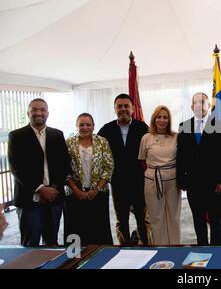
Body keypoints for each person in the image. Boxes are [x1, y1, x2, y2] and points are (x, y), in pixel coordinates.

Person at [8, 98, 70, 246]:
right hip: (29, 200)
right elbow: (16, 168)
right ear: (28, 113)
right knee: (30, 244)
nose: (38, 113)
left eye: (42, 110)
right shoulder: (17, 136)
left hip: (54, 199)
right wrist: (40, 189)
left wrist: (54, 188)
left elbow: (64, 164)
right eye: (34, 109)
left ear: (47, 113)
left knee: (52, 243)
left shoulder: (57, 134)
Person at [176, 92, 221, 245]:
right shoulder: (184, 126)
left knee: (215, 221)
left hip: (215, 184)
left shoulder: (219, 126)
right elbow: (181, 155)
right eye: (196, 102)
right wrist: (182, 181)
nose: (199, 105)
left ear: (209, 105)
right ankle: (202, 250)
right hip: (193, 184)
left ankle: (217, 252)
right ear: (192, 107)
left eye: (203, 102)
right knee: (198, 221)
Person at [98, 94, 149, 245]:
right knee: (121, 220)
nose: (123, 109)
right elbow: (99, 156)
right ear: (114, 109)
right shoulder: (106, 130)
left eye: (126, 106)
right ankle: (124, 248)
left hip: (139, 181)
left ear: (133, 109)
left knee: (143, 218)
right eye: (119, 106)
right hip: (118, 183)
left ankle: (145, 245)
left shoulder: (142, 128)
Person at [65, 113, 114, 245]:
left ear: (93, 126)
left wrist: (97, 189)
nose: (85, 127)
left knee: (99, 228)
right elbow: (64, 169)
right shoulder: (69, 143)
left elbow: (108, 167)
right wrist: (76, 190)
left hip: (98, 193)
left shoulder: (102, 142)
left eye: (88, 124)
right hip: (75, 194)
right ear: (76, 126)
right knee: (77, 229)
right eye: (81, 124)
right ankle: (76, 259)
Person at [139, 105, 181, 245]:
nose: (162, 120)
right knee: (156, 216)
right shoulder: (146, 137)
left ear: (169, 120)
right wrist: (155, 173)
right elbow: (143, 161)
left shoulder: (176, 136)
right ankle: (160, 247)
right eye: (159, 117)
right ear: (154, 119)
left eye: (165, 117)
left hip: (173, 181)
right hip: (152, 181)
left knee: (173, 215)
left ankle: (175, 245)